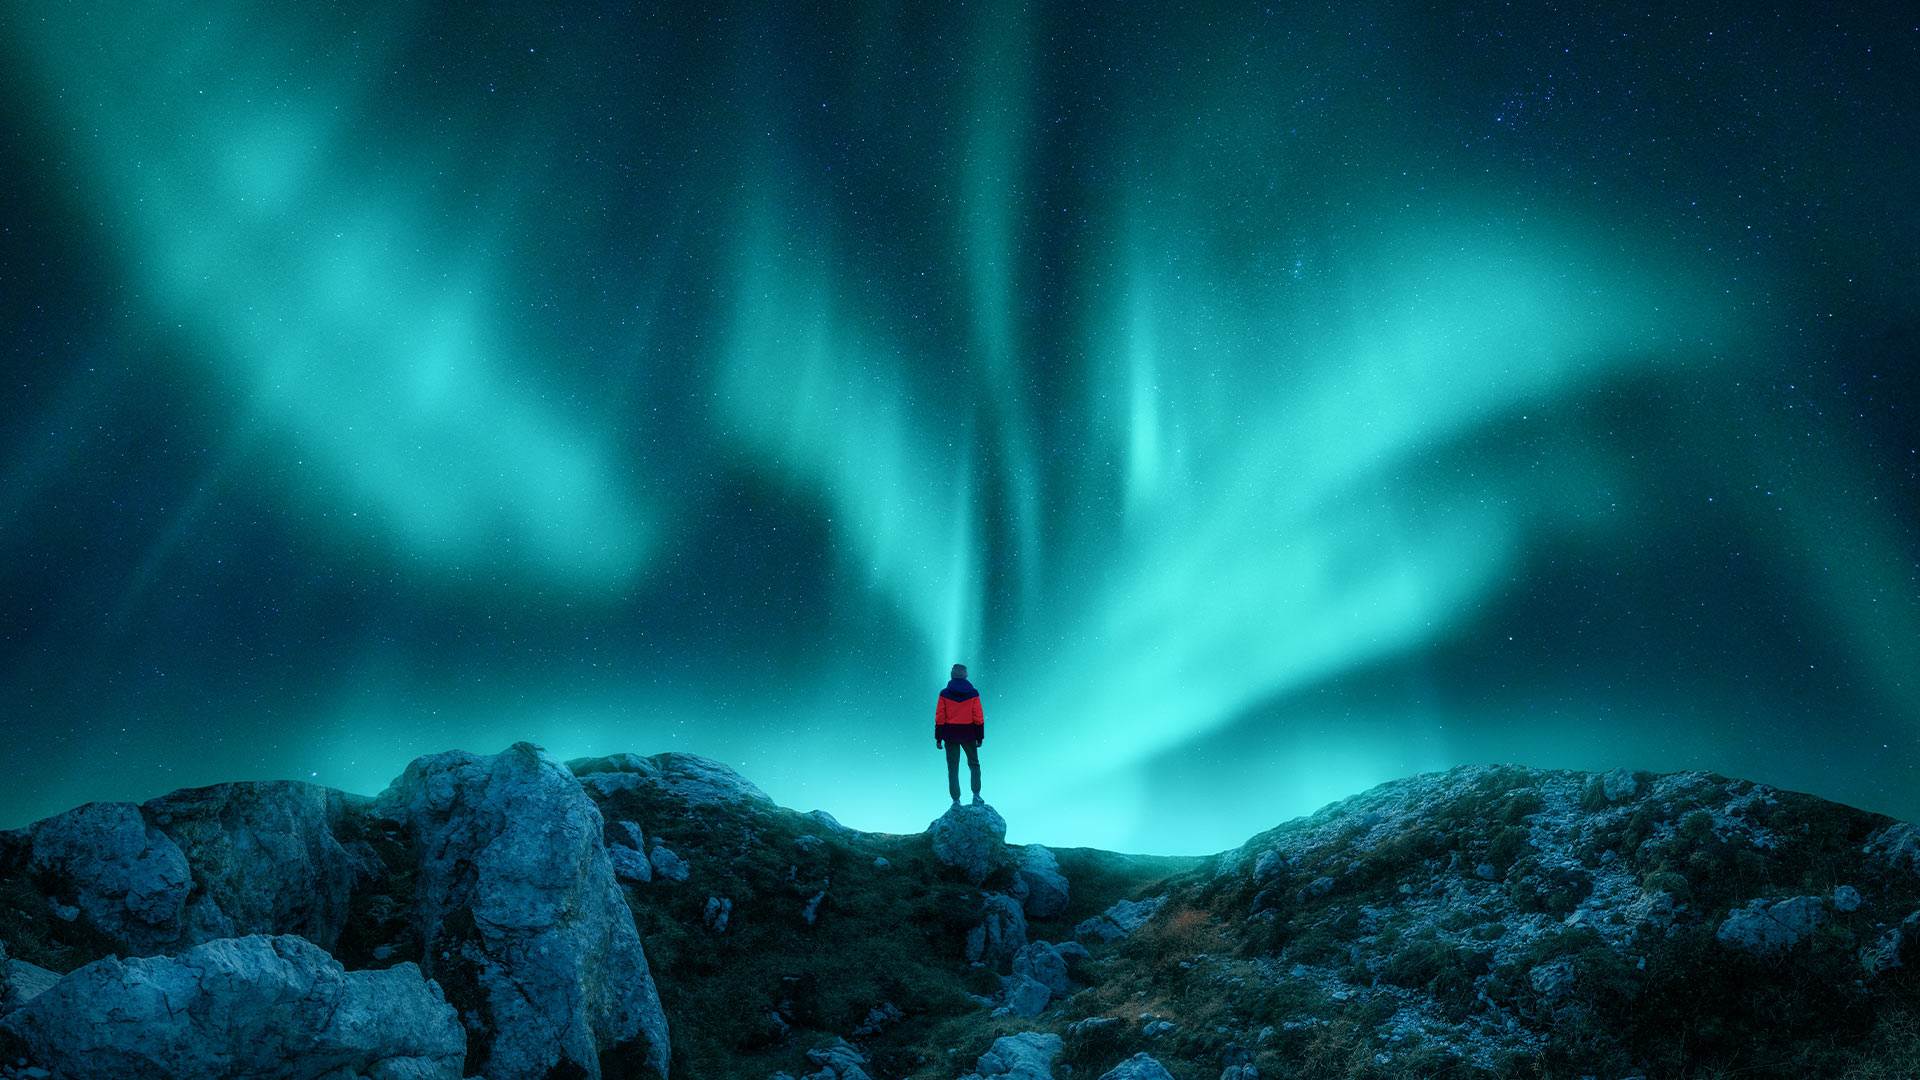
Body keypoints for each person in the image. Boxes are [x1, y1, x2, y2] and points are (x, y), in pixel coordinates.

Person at [935, 663, 984, 807]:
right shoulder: (973, 693)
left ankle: (956, 801)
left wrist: (938, 737)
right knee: (974, 764)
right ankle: (976, 796)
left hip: (950, 735)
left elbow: (940, 717)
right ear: (965, 675)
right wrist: (979, 735)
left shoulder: (944, 694)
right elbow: (978, 716)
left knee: (953, 768)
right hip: (969, 733)